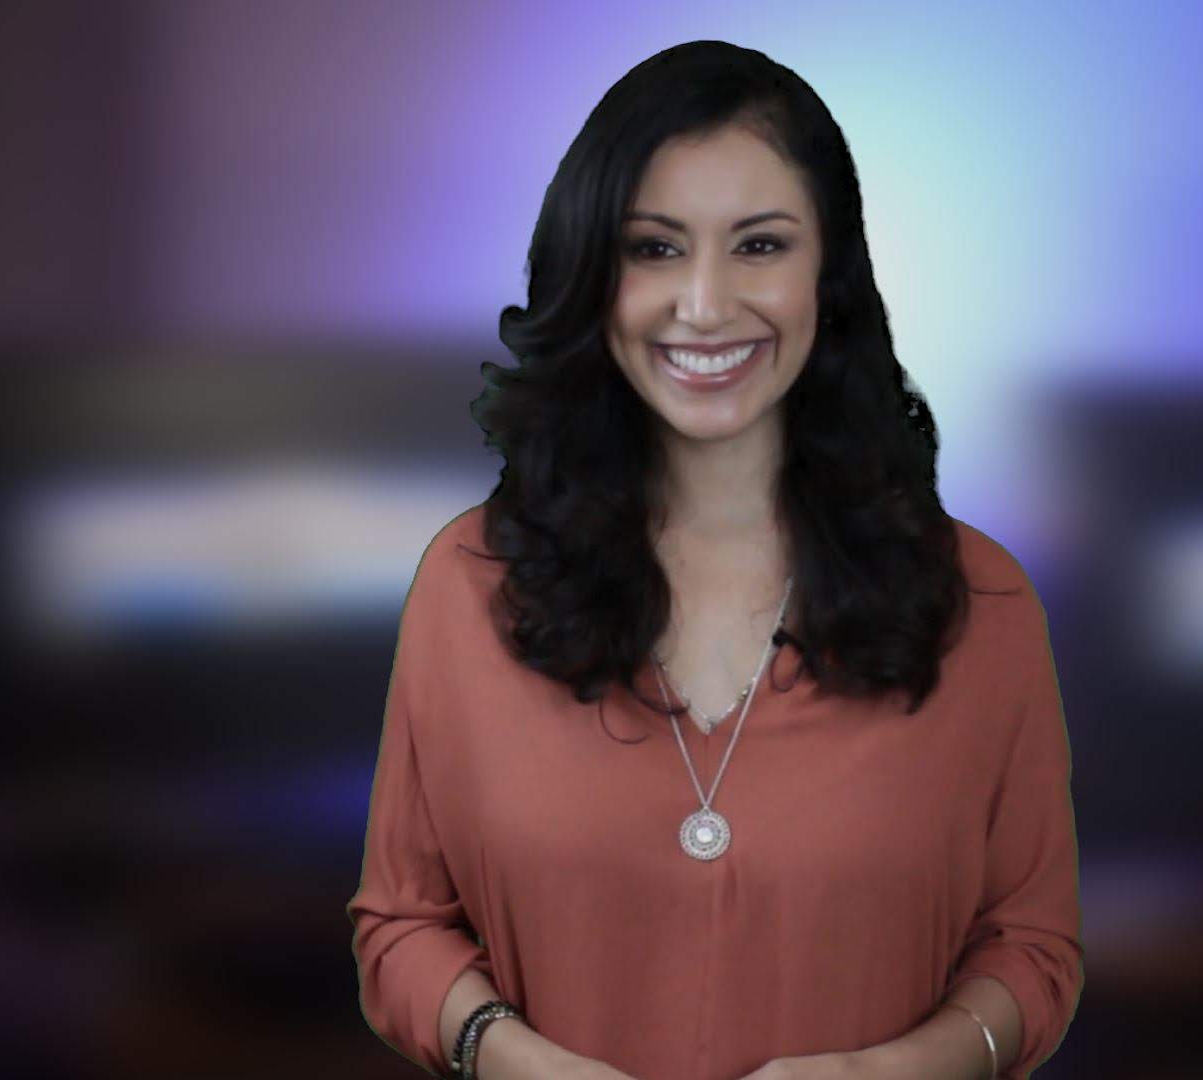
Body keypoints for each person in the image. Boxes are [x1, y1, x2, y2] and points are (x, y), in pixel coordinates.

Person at [347, 40, 1082, 1080]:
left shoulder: (983, 604)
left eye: (759, 246)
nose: (703, 304)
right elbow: (401, 927)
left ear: (829, 273)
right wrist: (508, 1058)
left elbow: (1032, 944)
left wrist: (899, 1072)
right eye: (654, 248)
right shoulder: (467, 584)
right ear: (593, 276)